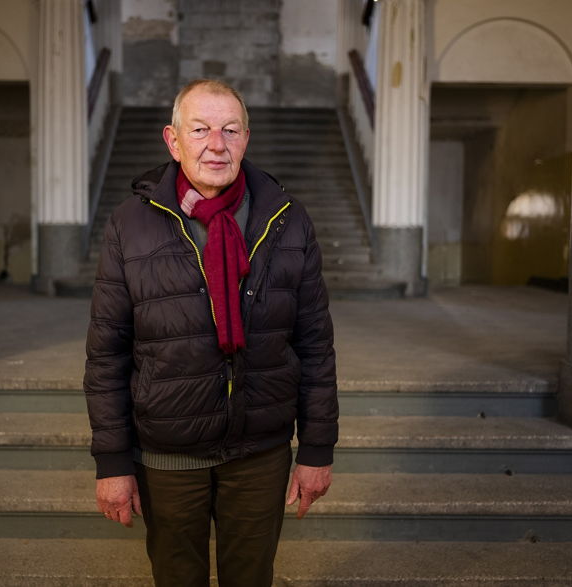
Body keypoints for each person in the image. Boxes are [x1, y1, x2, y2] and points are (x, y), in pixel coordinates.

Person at [84, 79, 338, 586]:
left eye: (229, 129)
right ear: (173, 141)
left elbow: (314, 344)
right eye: (199, 129)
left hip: (260, 450)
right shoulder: (131, 225)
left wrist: (316, 450)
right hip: (168, 450)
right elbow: (106, 353)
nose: (216, 144)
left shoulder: (286, 220)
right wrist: (112, 461)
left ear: (247, 138)